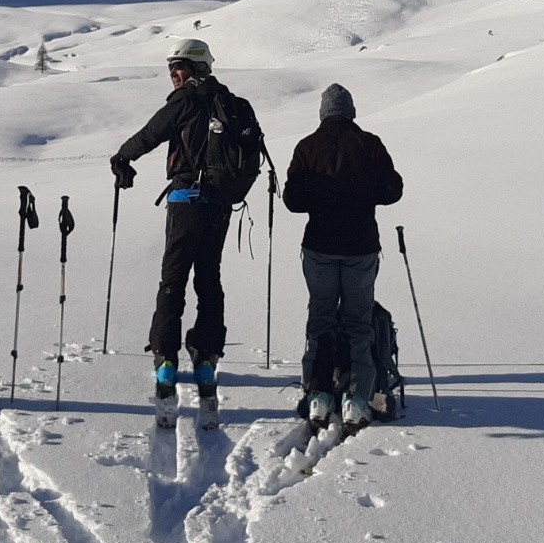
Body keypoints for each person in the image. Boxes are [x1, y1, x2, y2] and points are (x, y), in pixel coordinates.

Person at [110, 38, 252, 425]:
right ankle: (206, 362)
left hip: (186, 200)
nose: (175, 74)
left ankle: (166, 365)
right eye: (172, 67)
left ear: (199, 67)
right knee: (209, 278)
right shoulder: (234, 104)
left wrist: (122, 158)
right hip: (220, 205)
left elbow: (150, 134)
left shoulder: (186, 101)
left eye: (181, 67)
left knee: (173, 281)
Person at [283, 83, 402, 432]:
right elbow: (392, 190)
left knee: (320, 319)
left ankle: (318, 394)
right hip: (361, 246)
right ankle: (357, 399)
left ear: (323, 113)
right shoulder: (370, 144)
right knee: (358, 322)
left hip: (319, 245)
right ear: (351, 111)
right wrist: (361, 190)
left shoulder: (307, 147)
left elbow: (293, 200)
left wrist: (323, 193)